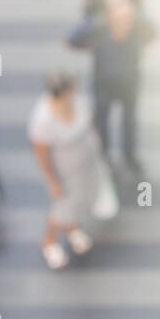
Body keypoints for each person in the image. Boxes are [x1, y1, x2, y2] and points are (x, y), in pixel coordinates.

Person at [66, 0, 155, 178]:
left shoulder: (137, 23)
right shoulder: (97, 25)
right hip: (103, 84)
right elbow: (71, 39)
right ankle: (104, 159)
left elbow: (153, 32)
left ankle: (129, 158)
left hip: (130, 83)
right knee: (102, 124)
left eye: (124, 4)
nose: (120, 10)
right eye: (114, 6)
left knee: (129, 123)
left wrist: (137, 15)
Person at [28, 70, 105, 270]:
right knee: (63, 206)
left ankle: (73, 229)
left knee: (82, 199)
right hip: (66, 168)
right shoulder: (43, 119)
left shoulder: (78, 101)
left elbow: (90, 123)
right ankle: (50, 241)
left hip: (86, 159)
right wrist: (52, 181)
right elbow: (41, 153)